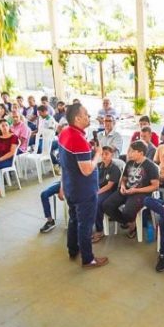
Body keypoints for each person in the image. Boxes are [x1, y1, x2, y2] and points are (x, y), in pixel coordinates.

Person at [58, 103, 108, 268]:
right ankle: (88, 259)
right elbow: (86, 170)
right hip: (84, 191)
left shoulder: (64, 133)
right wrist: (97, 156)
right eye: (86, 114)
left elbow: (66, 164)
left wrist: (62, 185)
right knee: (85, 224)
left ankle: (73, 249)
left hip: (71, 186)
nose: (89, 116)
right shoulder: (78, 139)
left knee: (74, 219)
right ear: (77, 118)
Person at [102, 141, 160, 238]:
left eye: (132, 151)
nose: (129, 153)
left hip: (141, 193)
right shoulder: (129, 162)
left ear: (141, 153)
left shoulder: (151, 166)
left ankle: (130, 222)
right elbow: (124, 179)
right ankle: (129, 222)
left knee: (127, 211)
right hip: (126, 190)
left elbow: (155, 186)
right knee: (106, 205)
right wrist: (123, 186)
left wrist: (136, 190)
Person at [90, 146, 122, 241]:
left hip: (110, 191)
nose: (104, 156)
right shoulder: (99, 165)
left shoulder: (114, 168)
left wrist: (96, 192)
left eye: (107, 154)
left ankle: (99, 231)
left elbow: (109, 186)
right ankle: (88, 226)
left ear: (112, 155)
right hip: (98, 189)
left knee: (97, 202)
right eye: (102, 154)